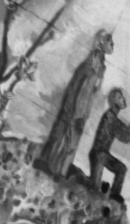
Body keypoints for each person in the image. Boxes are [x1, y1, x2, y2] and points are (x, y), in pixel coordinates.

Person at [36, 30, 114, 177]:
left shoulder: (101, 66)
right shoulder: (93, 61)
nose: (112, 45)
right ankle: (51, 166)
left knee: (70, 140)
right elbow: (82, 87)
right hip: (75, 107)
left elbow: (93, 89)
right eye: (109, 41)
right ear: (101, 42)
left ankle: (59, 169)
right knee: (64, 136)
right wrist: (78, 113)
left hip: (83, 109)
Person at [89, 95, 130, 201]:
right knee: (94, 189)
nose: (123, 99)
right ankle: (112, 199)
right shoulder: (111, 118)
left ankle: (113, 198)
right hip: (99, 155)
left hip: (102, 154)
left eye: (122, 97)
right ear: (113, 101)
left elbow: (126, 130)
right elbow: (127, 135)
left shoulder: (112, 117)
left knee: (121, 169)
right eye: (119, 97)